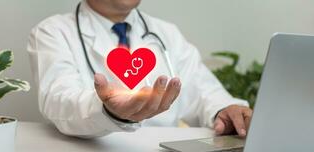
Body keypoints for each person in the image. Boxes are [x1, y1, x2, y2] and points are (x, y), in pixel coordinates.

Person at [27, 0, 252, 138]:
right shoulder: (53, 32)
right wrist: (109, 110)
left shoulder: (167, 33)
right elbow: (58, 100)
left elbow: (203, 92)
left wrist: (225, 110)